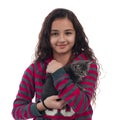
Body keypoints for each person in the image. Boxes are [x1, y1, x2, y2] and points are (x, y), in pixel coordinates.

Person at [12, 8, 99, 120]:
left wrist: (58, 73)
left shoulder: (86, 67)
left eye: (68, 33)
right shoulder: (35, 69)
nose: (61, 39)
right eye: (55, 34)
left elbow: (81, 105)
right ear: (47, 37)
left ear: (76, 35)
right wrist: (43, 105)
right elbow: (17, 112)